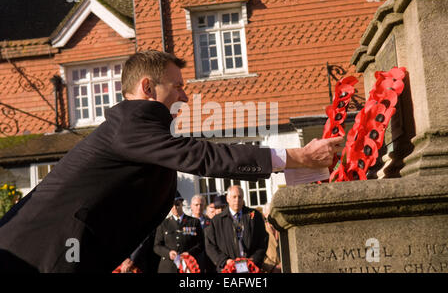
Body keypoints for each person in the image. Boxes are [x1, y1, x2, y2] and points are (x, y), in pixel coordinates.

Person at [0, 50, 343, 273]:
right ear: (148, 87)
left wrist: (298, 167)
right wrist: (297, 156)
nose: (184, 95)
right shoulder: (132, 125)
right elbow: (205, 157)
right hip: (36, 259)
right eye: (177, 86)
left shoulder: (143, 131)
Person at [205, 185, 268, 272]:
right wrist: (225, 261)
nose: (237, 200)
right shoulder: (217, 221)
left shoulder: (255, 216)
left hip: (251, 267)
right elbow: (210, 245)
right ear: (228, 199)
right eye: (234, 197)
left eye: (240, 197)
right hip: (227, 268)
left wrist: (254, 259)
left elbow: (263, 240)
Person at [153, 194, 203, 273]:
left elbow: (200, 244)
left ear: (182, 204)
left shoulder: (193, 222)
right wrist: (168, 253)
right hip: (168, 267)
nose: (175, 208)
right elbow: (157, 246)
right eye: (172, 205)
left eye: (177, 204)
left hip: (188, 266)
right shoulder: (164, 224)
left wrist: (189, 253)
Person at [261, 202, 282, 273]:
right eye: (270, 216)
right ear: (265, 215)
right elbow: (259, 253)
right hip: (269, 270)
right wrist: (273, 267)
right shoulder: (261, 230)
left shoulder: (282, 228)